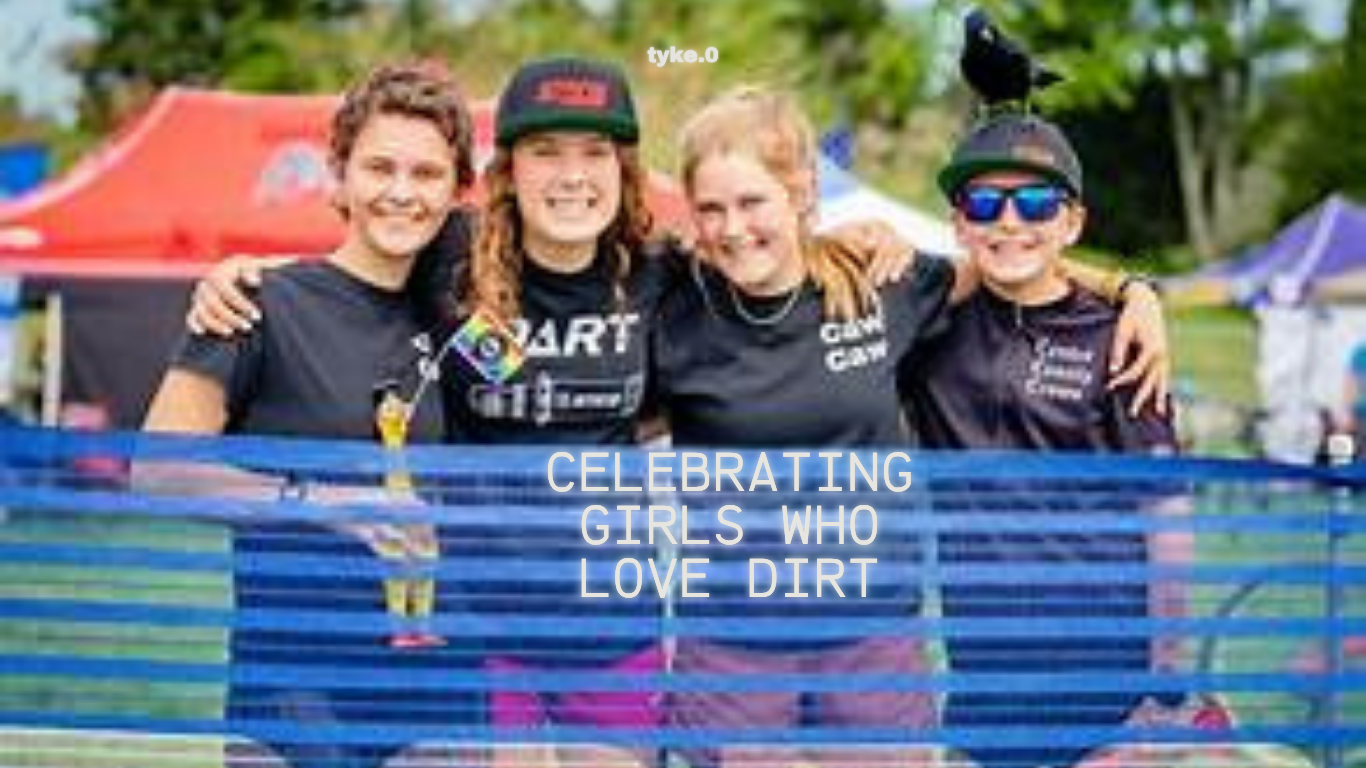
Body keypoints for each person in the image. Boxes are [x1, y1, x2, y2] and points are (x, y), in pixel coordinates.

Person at [652, 86, 1172, 768]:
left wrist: (1131, 290)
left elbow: (1007, 259)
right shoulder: (673, 304)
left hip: (874, 640)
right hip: (735, 647)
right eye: (711, 208)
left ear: (802, 191)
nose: (732, 227)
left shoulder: (882, 285)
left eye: (752, 202)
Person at [141, 61, 479, 768]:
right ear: (339, 174)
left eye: (426, 174)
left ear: (455, 191)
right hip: (287, 702)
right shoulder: (258, 303)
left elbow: (544, 410)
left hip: (438, 706)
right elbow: (159, 468)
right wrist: (320, 501)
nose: (400, 193)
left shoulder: (466, 321)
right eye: (379, 167)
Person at [899, 109, 1213, 768]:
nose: (1010, 220)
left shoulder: (1120, 339)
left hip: (1108, 701)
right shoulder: (925, 331)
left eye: (1037, 201)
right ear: (959, 223)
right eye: (985, 202)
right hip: (982, 702)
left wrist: (1165, 686)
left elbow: (1169, 524)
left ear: (1071, 222)